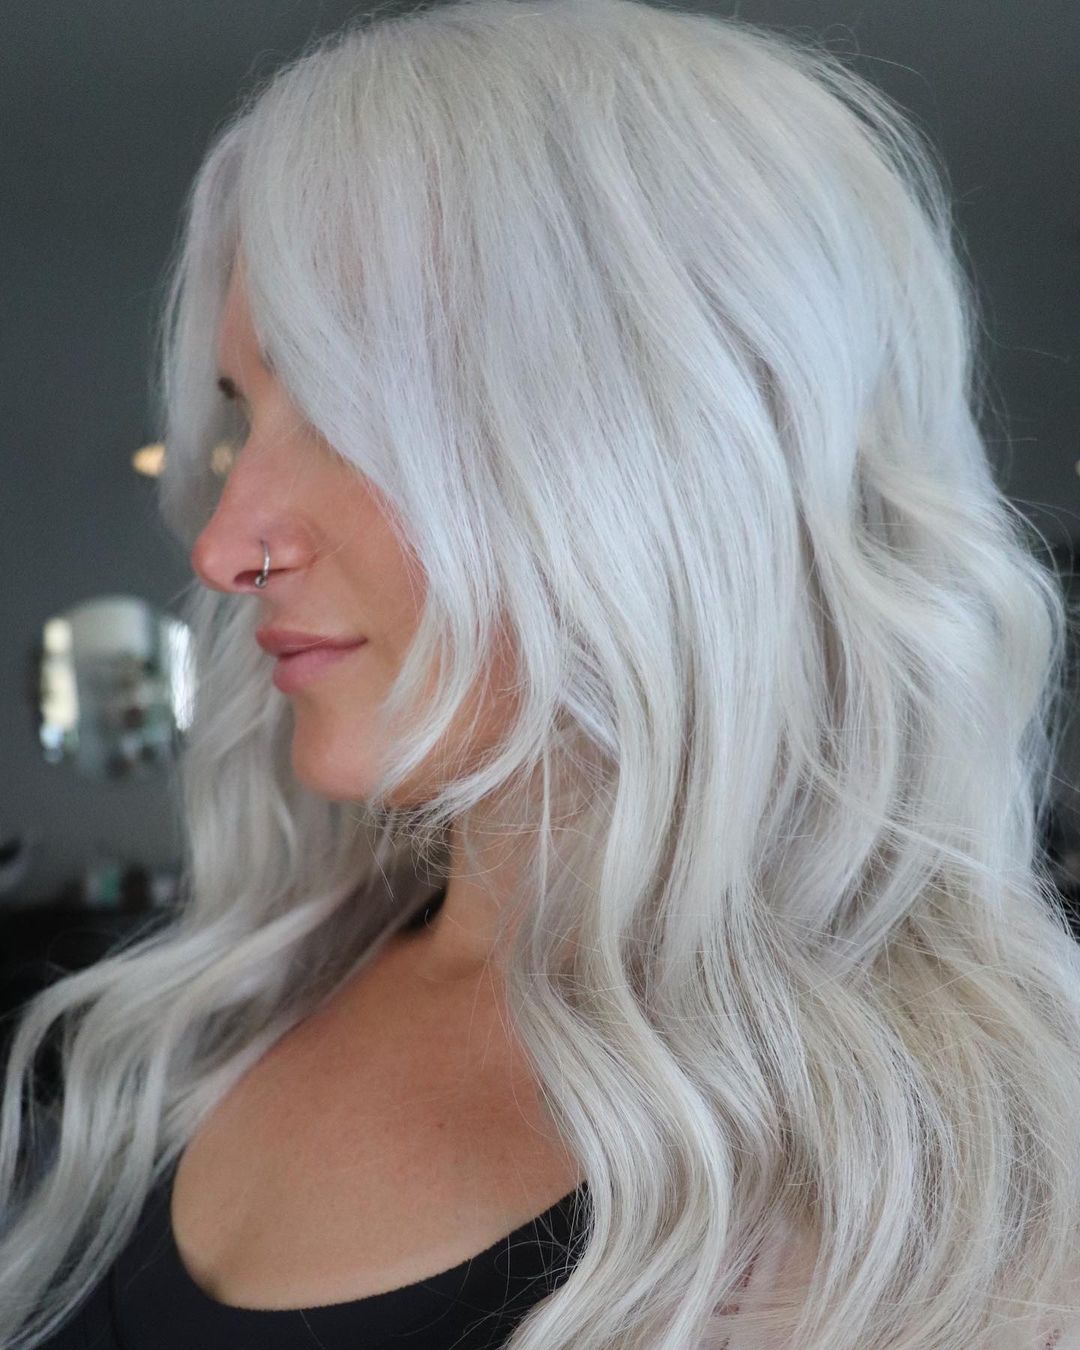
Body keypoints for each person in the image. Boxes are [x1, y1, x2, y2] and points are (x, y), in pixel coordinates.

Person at [3, 0, 1080, 1345]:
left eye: (346, 412)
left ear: (666, 460)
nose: (224, 548)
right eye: (244, 422)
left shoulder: (961, 1200)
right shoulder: (225, 1013)